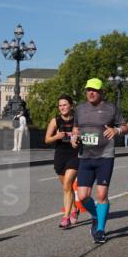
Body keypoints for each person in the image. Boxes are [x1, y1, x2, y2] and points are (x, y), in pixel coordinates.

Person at [71, 77, 127, 244]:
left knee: (102, 194)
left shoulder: (111, 108)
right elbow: (76, 128)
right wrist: (74, 138)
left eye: (94, 90)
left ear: (101, 92)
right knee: (82, 196)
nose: (91, 93)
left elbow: (125, 126)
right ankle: (96, 215)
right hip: (85, 156)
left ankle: (100, 230)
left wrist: (116, 130)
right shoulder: (80, 109)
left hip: (105, 156)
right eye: (89, 90)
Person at [44, 94, 80, 229]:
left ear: (71, 105)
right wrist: (57, 136)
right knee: (67, 187)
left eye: (65, 105)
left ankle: (66, 217)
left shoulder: (78, 120)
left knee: (67, 185)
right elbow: (47, 139)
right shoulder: (55, 121)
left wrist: (78, 137)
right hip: (60, 156)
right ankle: (74, 208)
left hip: (74, 155)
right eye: (60, 105)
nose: (62, 107)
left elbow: (86, 134)